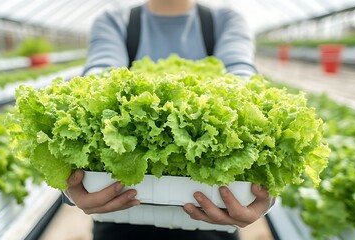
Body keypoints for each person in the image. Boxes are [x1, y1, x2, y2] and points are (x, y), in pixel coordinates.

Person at [64, 0, 274, 239]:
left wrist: (266, 189)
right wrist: (71, 182)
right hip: (120, 214)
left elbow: (243, 81)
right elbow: (99, 77)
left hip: (212, 220)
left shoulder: (225, 21)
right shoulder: (115, 21)